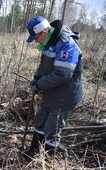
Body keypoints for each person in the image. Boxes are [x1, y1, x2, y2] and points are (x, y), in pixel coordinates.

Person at [21, 16, 83, 159]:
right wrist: (36, 78)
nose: (35, 41)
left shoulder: (66, 43)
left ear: (43, 32)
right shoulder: (50, 41)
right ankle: (33, 153)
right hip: (51, 91)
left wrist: (40, 84)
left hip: (64, 95)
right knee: (40, 120)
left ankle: (48, 160)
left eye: (35, 37)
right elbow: (44, 65)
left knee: (52, 129)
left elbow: (63, 74)